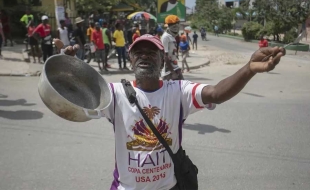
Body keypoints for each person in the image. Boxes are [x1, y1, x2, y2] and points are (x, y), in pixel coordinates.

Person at [53, 35, 285, 190]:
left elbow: (215, 93)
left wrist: (248, 69)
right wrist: (72, 71)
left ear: (162, 60)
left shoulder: (179, 91)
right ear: (131, 59)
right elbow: (75, 103)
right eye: (138, 52)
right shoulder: (114, 93)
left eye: (151, 52)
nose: (144, 55)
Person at [161, 15, 183, 80]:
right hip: (168, 71)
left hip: (175, 67)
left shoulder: (172, 36)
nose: (176, 27)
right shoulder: (165, 37)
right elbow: (165, 56)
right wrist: (173, 72)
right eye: (173, 25)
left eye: (177, 24)